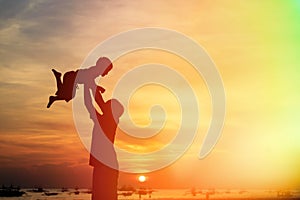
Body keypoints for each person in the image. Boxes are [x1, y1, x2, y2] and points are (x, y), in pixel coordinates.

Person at [84, 81, 124, 200]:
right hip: (101, 162)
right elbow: (89, 104)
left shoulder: (110, 120)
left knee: (105, 195)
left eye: (108, 104)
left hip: (107, 163)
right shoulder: (101, 119)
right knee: (99, 195)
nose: (105, 104)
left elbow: (98, 101)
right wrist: (88, 86)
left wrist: (90, 84)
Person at [47, 57, 112, 108]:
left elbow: (91, 84)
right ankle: (58, 77)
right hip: (71, 78)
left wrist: (98, 88)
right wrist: (102, 103)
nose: (107, 73)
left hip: (71, 78)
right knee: (68, 95)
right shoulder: (93, 72)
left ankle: (53, 98)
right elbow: (91, 85)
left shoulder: (94, 72)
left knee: (65, 94)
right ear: (102, 67)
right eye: (107, 70)